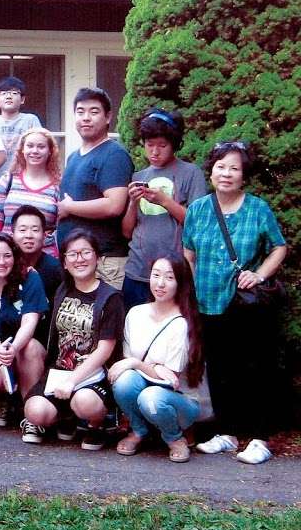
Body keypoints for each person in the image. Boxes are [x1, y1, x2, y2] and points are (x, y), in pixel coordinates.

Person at [183, 141, 287, 465]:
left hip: (245, 304)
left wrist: (259, 275)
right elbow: (189, 254)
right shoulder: (199, 209)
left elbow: (279, 248)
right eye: (221, 167)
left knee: (254, 370)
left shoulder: (257, 208)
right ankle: (226, 434)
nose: (226, 173)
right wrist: (196, 288)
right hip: (208, 301)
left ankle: (259, 438)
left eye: (234, 168)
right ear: (211, 170)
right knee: (219, 368)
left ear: (244, 176)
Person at [21, 230, 125, 451]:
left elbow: (104, 350)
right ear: (65, 262)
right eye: (73, 254)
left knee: (84, 402)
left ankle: (97, 425)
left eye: (86, 252)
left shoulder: (110, 297)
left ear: (97, 257)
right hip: (60, 372)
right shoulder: (62, 290)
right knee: (34, 411)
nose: (80, 259)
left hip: (93, 376)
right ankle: (65, 419)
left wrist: (73, 381)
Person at [109, 255, 208, 463]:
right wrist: (151, 366)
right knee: (124, 380)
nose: (160, 283)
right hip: (146, 388)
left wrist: (138, 363)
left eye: (169, 278)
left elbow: (170, 379)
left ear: (181, 282)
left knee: (151, 396)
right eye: (156, 275)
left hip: (179, 400)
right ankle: (139, 430)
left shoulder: (182, 321)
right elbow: (128, 365)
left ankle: (175, 438)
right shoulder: (136, 314)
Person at [120, 109, 207, 310]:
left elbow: (199, 223)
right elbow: (126, 232)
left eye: (162, 145)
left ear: (174, 144)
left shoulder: (190, 173)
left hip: (173, 274)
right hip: (138, 270)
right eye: (149, 145)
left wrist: (165, 201)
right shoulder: (138, 176)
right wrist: (133, 202)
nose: (155, 152)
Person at [56, 87, 134, 289]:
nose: (86, 118)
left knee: (104, 319)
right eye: (80, 112)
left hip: (104, 262)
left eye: (94, 111)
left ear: (108, 117)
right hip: (76, 261)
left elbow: (114, 205)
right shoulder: (74, 156)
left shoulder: (114, 154)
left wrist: (70, 207)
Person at [0, 233, 48, 427]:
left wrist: (14, 349)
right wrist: (0, 359)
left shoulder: (30, 277)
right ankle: (2, 401)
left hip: (26, 348)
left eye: (7, 255)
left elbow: (30, 320)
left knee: (29, 348)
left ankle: (30, 408)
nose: (2, 262)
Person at [0, 127, 62, 258]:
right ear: (22, 150)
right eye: (30, 146)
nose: (35, 151)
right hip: (8, 259)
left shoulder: (58, 187)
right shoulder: (8, 180)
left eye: (41, 146)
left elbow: (60, 226)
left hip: (44, 258)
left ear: (50, 151)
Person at [11, 205, 64, 308]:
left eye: (35, 230)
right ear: (12, 235)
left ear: (44, 236)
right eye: (22, 230)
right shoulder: (5, 266)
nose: (29, 235)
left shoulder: (56, 270)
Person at [0, 76, 42, 179]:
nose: (9, 97)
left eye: (14, 93)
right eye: (4, 93)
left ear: (22, 99)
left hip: (23, 178)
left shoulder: (30, 120)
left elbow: (41, 146)